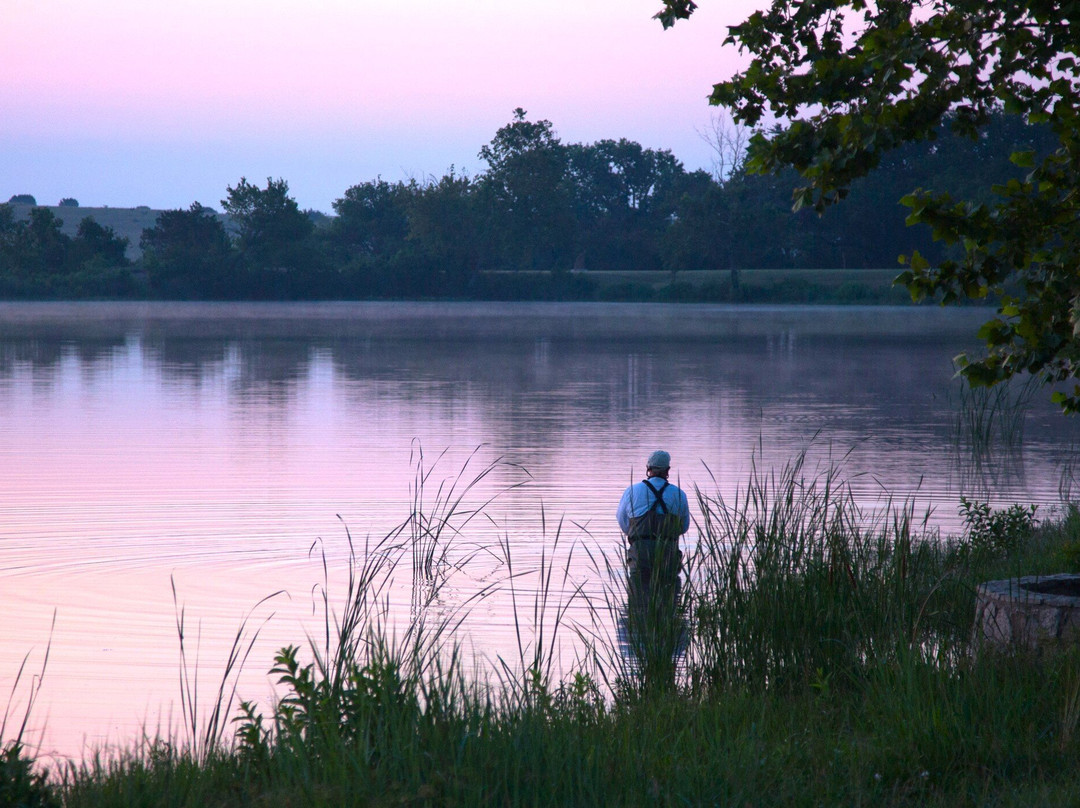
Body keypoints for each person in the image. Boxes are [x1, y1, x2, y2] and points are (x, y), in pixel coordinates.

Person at [616, 450, 690, 586]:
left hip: (640, 556)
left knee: (638, 601)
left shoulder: (632, 491)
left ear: (648, 469)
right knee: (670, 600)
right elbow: (683, 527)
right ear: (668, 470)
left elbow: (623, 523)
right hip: (668, 556)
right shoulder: (679, 494)